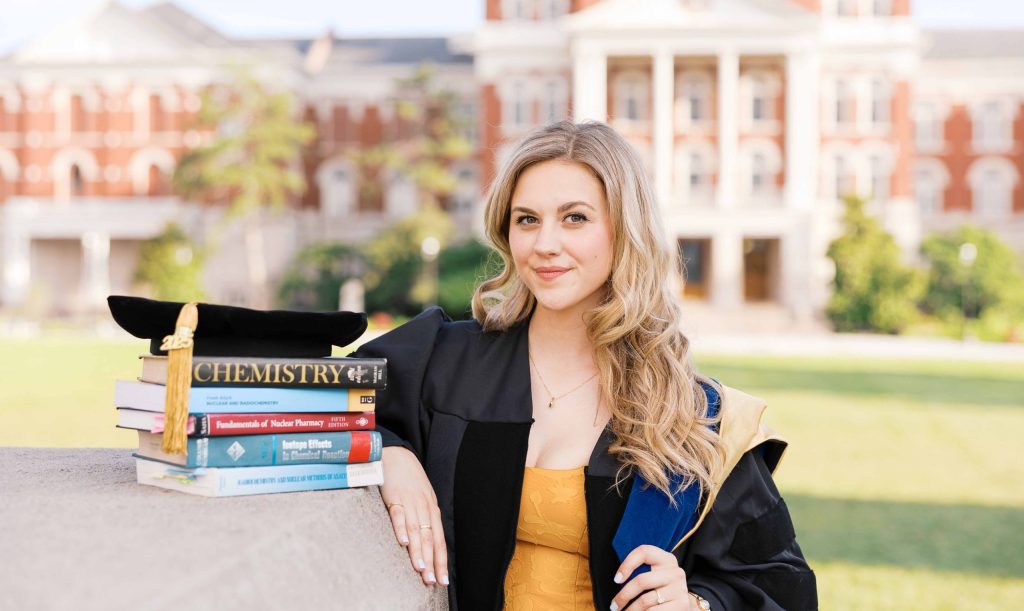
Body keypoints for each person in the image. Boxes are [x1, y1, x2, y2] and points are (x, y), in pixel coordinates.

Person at [350, 120, 816, 610]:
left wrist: (699, 605)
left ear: (624, 229)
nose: (545, 243)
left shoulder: (692, 417)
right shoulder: (446, 360)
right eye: (527, 219)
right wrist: (386, 450)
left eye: (574, 218)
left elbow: (782, 587)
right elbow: (307, 401)